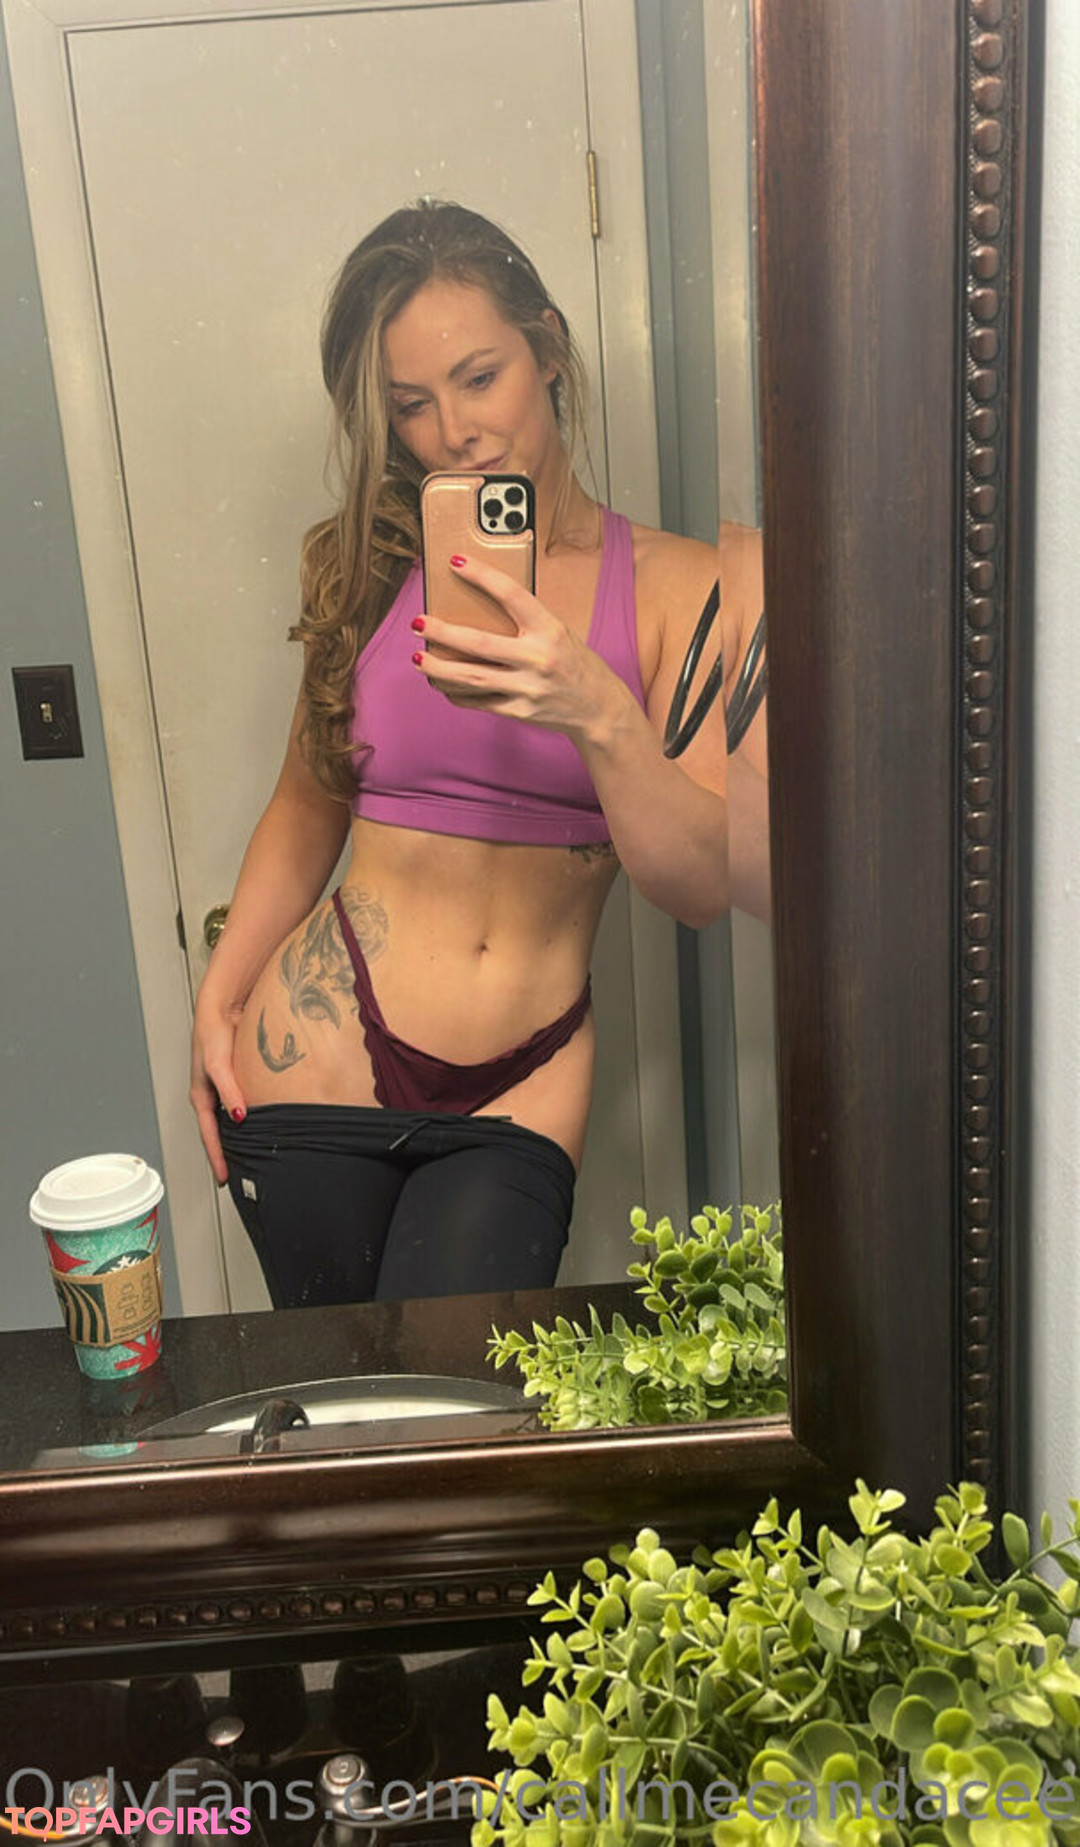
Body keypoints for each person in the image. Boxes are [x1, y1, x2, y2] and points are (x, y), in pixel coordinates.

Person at [190, 200, 768, 1310]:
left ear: (547, 348)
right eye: (412, 404)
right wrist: (216, 999)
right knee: (342, 1397)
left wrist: (595, 709)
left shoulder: (682, 586)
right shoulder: (371, 567)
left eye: (479, 377)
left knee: (463, 1397)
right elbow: (304, 809)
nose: (454, 430)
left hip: (522, 1084)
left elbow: (700, 884)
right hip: (315, 1057)